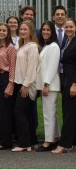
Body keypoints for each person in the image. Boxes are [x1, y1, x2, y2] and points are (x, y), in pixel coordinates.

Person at [12, 21, 40, 152]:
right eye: (21, 29)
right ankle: (32, 141)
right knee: (27, 113)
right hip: (20, 83)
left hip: (27, 84)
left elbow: (32, 68)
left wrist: (26, 85)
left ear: (31, 31)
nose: (22, 31)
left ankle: (24, 144)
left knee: (19, 112)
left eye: (25, 29)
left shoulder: (33, 47)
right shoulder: (22, 45)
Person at [52, 19, 76, 154]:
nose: (68, 29)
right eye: (67, 27)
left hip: (73, 82)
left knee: (69, 114)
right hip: (66, 80)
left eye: (71, 27)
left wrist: (74, 84)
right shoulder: (68, 41)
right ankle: (72, 142)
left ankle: (64, 144)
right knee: (69, 111)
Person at [36, 21, 60, 152]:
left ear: (52, 32)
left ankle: (48, 141)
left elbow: (52, 67)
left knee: (48, 113)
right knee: (52, 113)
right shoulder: (46, 46)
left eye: (48, 30)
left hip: (50, 85)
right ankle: (55, 138)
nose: (45, 32)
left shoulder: (54, 47)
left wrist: (46, 84)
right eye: (43, 29)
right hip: (48, 85)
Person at [0, 23, 16, 150]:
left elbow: (12, 67)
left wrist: (10, 84)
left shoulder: (10, 47)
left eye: (4, 30)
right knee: (0, 111)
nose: (1, 32)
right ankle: (2, 139)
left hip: (5, 79)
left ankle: (6, 141)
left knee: (5, 112)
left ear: (8, 33)